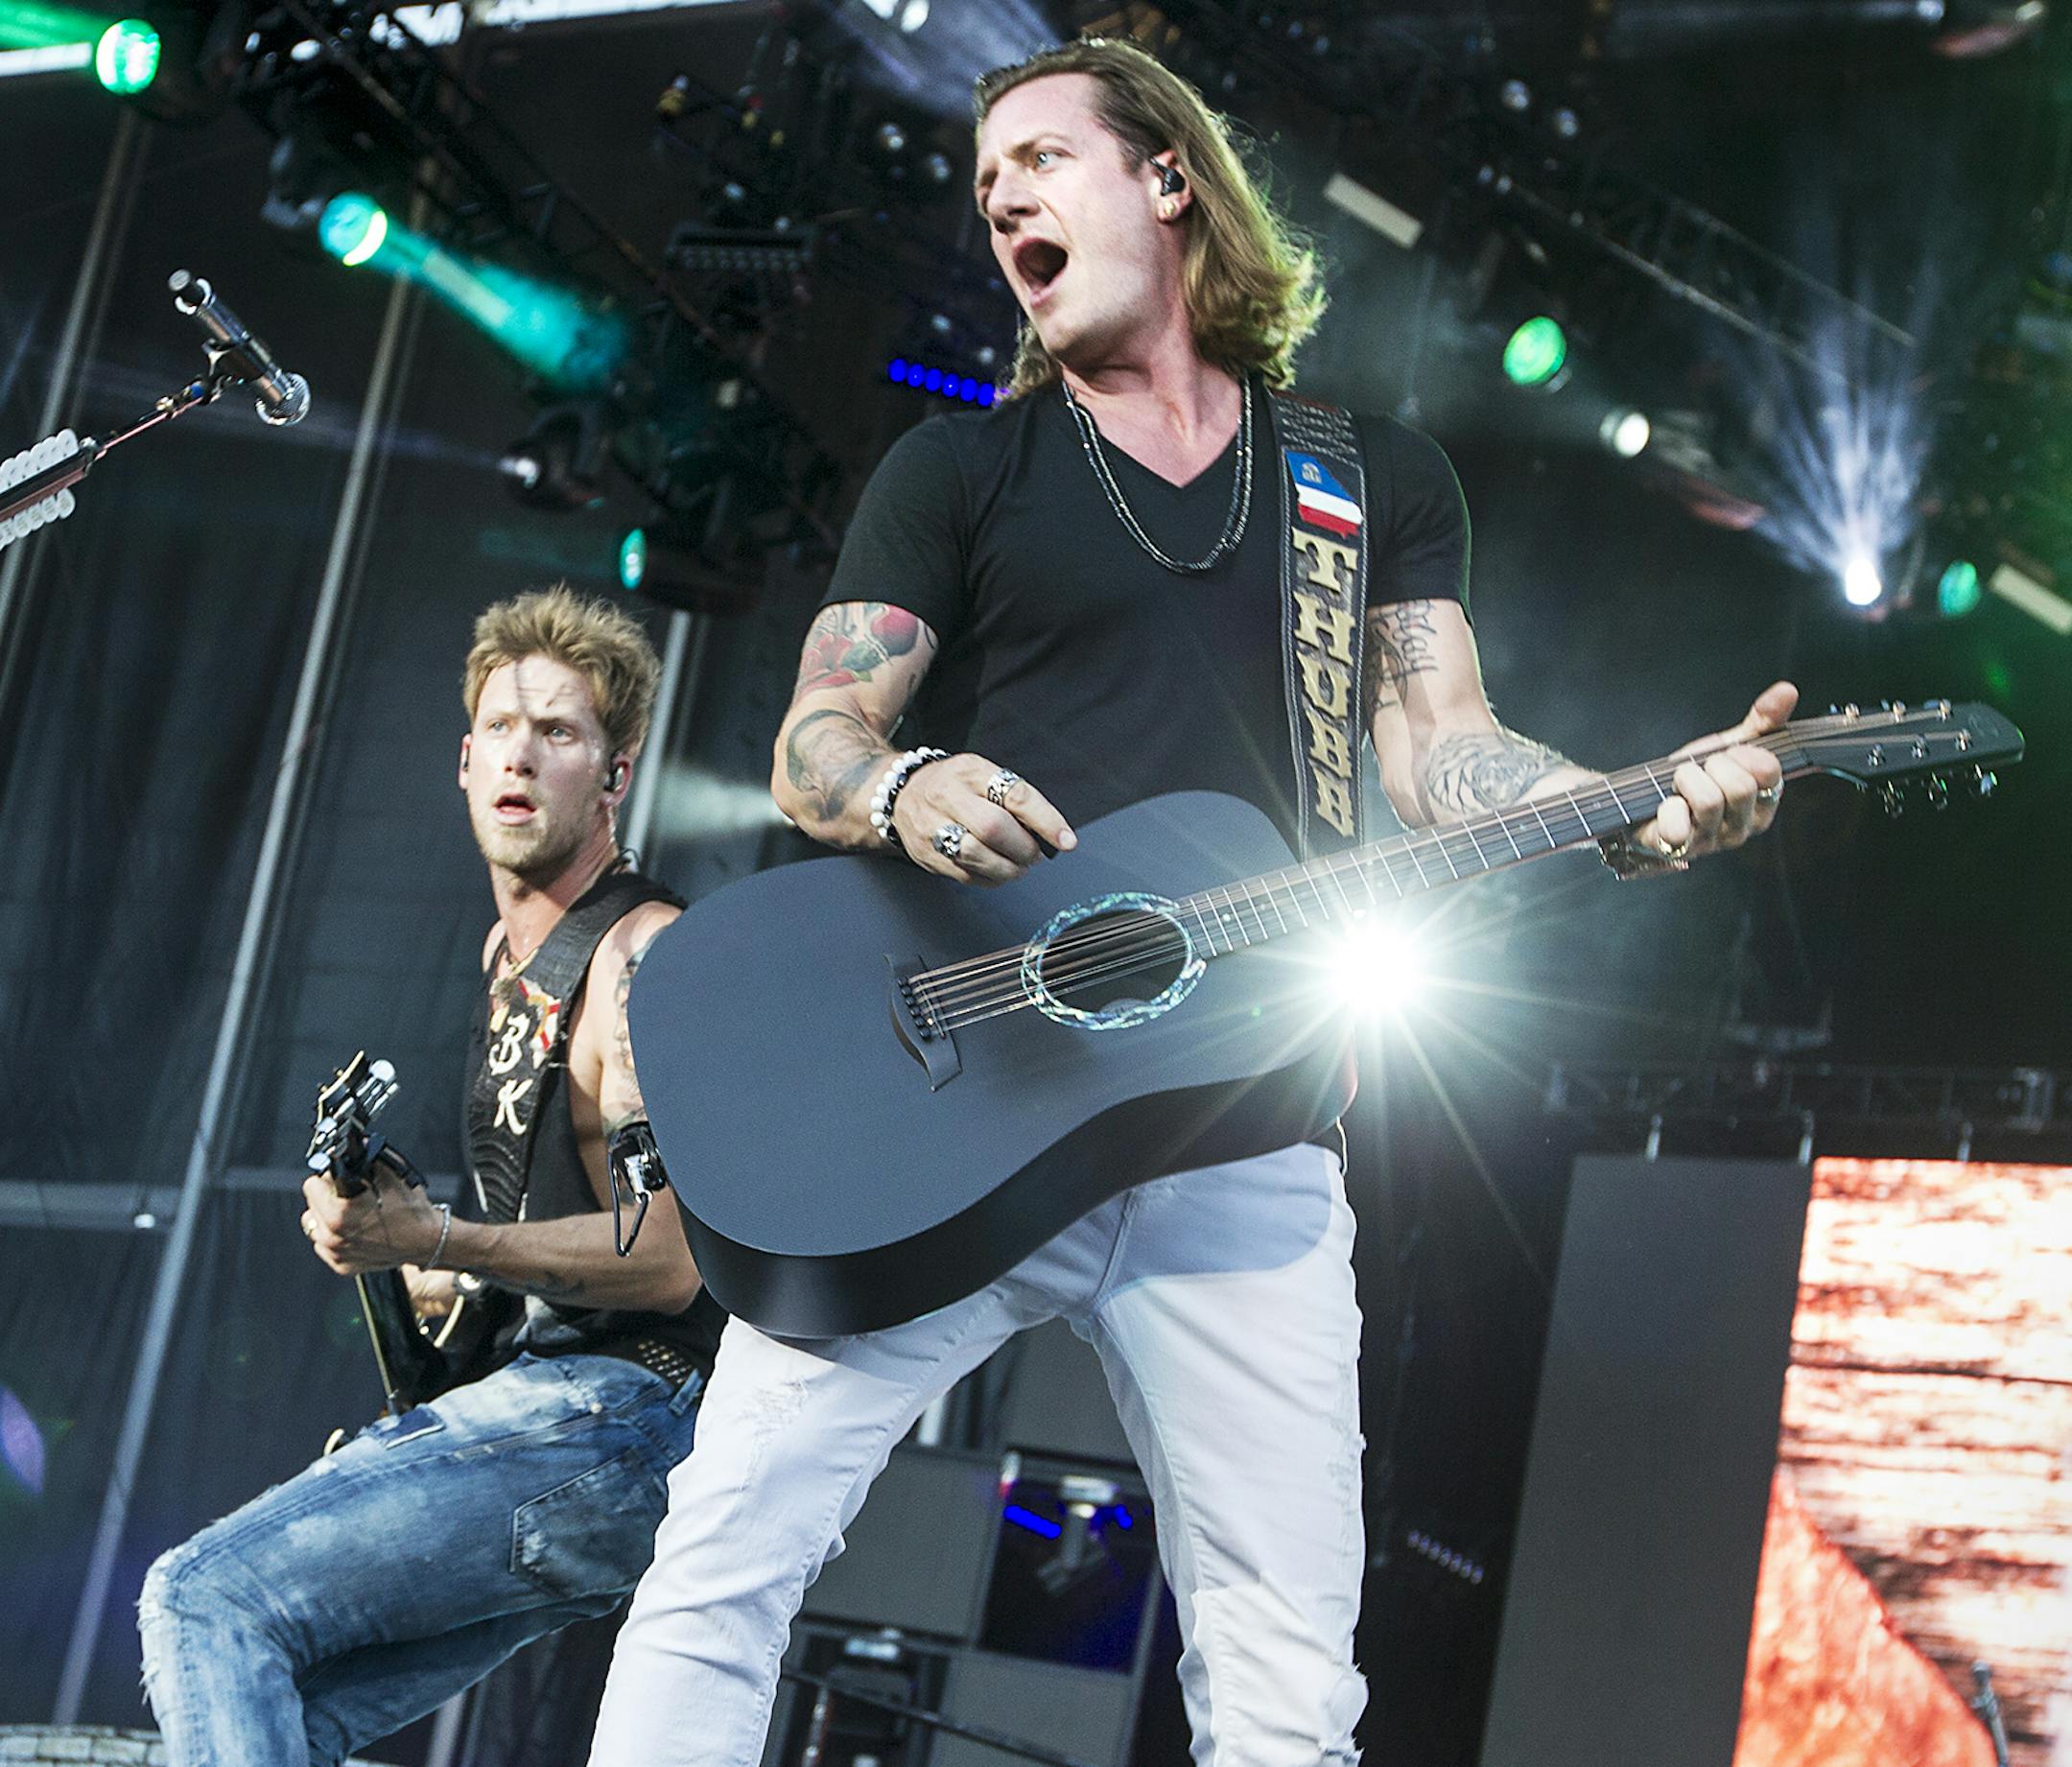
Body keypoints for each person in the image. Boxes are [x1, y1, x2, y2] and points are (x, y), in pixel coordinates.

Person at [587, 38, 1790, 1766]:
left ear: (1167, 178)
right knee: (721, 1559)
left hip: (1247, 1130)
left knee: (1290, 1673)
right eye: (982, 173)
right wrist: (902, 783)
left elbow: (1446, 759)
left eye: (1039, 155)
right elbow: (818, 738)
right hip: (963, 1108)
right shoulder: (962, 474)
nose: (998, 190)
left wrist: (1632, 805)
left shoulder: (1367, 484)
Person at [138, 586, 725, 1767]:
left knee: (201, 1599)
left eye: (559, 733)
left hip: (621, 1420)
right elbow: (557, 1245)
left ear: (613, 779)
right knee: (270, 1705)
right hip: (569, 1415)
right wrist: (441, 1293)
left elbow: (664, 1260)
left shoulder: (640, 957)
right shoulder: (509, 955)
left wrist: (436, 1238)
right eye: (502, 727)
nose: (522, 752)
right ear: (463, 763)